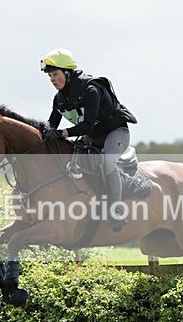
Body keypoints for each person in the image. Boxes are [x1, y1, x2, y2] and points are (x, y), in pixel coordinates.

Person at [40, 48, 137, 231]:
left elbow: (88, 125)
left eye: (55, 74)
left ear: (67, 73)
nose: (52, 79)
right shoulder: (59, 98)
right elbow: (52, 122)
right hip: (92, 137)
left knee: (108, 162)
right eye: (50, 76)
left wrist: (61, 134)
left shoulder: (91, 89)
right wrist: (44, 129)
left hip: (115, 132)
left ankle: (116, 210)